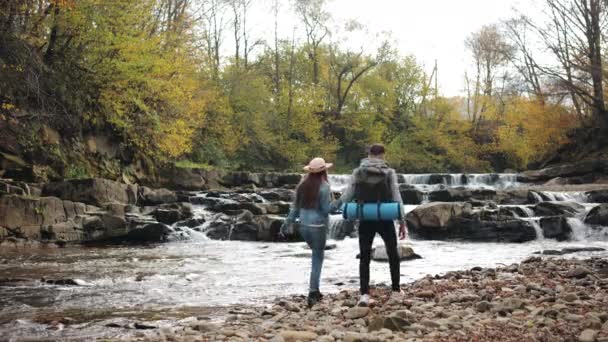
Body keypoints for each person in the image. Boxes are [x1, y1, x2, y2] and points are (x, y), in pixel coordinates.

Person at [331, 144, 407, 307]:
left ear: (368, 154)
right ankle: (395, 291)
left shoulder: (358, 172)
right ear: (383, 155)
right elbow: (396, 196)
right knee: (392, 253)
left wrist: (333, 207)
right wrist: (402, 221)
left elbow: (348, 195)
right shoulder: (389, 172)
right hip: (385, 215)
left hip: (365, 216)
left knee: (364, 256)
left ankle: (364, 294)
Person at [280, 157, 333, 308]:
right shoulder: (324, 186)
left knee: (314, 255)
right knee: (317, 258)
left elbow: (295, 209)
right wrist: (339, 204)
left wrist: (286, 224)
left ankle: (315, 290)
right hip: (318, 226)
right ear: (324, 170)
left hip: (303, 226)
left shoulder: (302, 186)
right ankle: (313, 292)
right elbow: (325, 210)